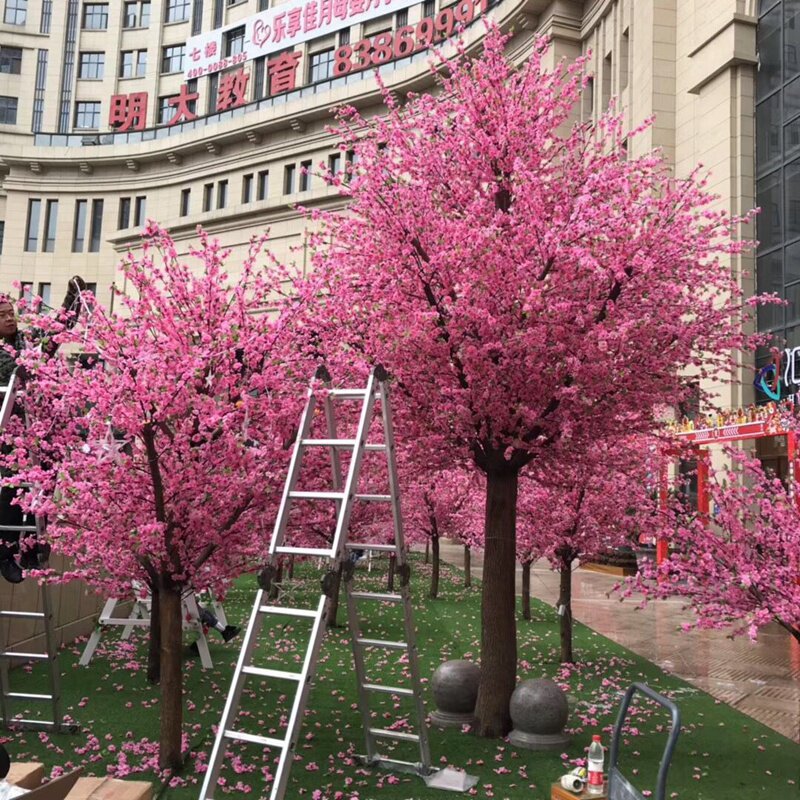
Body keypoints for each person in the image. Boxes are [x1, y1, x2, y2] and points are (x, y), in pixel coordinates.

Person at [0, 277, 87, 583]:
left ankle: (32, 545)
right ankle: (6, 552)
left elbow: (54, 334)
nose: (10, 318)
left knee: (46, 480)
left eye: (11, 312)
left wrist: (71, 301)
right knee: (12, 491)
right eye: (2, 314)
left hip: (36, 427)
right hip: (7, 433)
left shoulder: (26, 341)